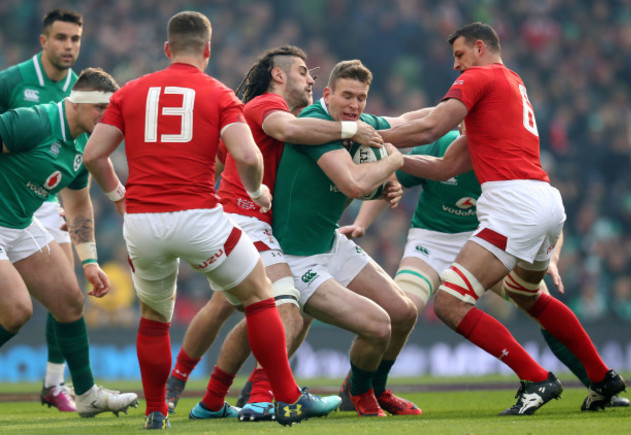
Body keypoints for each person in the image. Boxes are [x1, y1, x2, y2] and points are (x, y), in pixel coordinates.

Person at [82, 12, 340, 429]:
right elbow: (248, 156)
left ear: (167, 49)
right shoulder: (219, 94)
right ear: (207, 49)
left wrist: (119, 198)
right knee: (260, 296)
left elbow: (94, 155)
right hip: (199, 216)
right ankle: (289, 399)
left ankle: (156, 410)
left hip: (143, 223)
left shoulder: (129, 91)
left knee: (154, 318)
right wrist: (257, 192)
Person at [379, 22, 627, 414]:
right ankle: (603, 380)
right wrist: (394, 159)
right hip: (546, 201)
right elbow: (445, 168)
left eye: (459, 55)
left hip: (512, 206)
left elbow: (432, 125)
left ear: (480, 48)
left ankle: (536, 378)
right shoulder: (511, 82)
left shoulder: (480, 76)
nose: (456, 66)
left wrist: (373, 135)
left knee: (448, 304)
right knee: (530, 296)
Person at [165, 45, 382, 422]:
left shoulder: (294, 117)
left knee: (241, 308)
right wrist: (353, 129)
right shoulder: (269, 105)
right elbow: (285, 130)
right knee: (287, 306)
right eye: (302, 71)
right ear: (279, 75)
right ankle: (271, 398)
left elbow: (223, 155)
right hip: (245, 220)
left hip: (256, 222)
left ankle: (210, 400)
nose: (311, 78)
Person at [340, 129, 631, 409]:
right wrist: (363, 222)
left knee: (534, 297)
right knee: (402, 309)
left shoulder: (505, 157)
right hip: (431, 241)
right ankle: (361, 388)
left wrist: (552, 257)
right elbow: (390, 182)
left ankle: (596, 382)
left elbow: (547, 208)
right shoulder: (439, 146)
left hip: (482, 242)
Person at [271, 59, 428, 418]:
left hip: (329, 242)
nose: (355, 105)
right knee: (378, 325)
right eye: (347, 96)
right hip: (297, 259)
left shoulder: (362, 125)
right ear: (327, 94)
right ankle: (359, 395)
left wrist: (384, 189)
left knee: (403, 313)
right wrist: (393, 163)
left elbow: (410, 123)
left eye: (361, 98)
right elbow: (353, 183)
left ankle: (373, 388)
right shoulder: (316, 125)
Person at [0, 67, 139, 418]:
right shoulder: (35, 121)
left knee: (70, 302)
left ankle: (87, 395)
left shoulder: (84, 147)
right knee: (17, 310)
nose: (107, 119)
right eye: (100, 110)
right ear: (77, 102)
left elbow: (77, 204)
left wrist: (90, 262)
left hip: (19, 224)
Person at [0, 8, 84, 412]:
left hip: (47, 202)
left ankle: (55, 382)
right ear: (44, 41)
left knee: (65, 293)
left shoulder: (83, 92)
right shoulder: (13, 81)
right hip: (9, 194)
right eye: (62, 38)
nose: (69, 46)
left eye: (75, 39)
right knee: (16, 306)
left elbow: (83, 161)